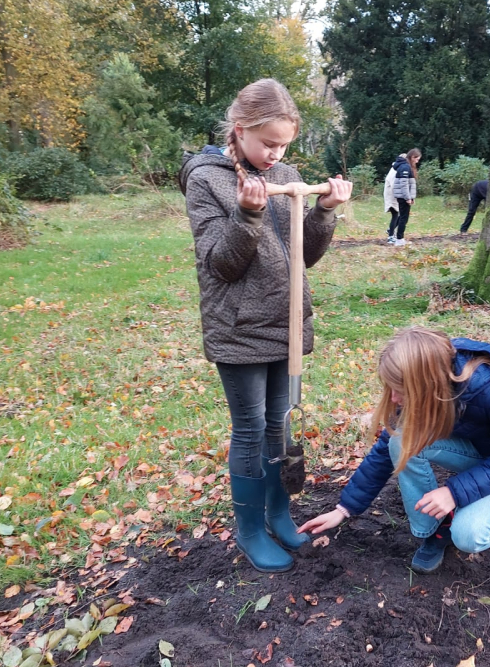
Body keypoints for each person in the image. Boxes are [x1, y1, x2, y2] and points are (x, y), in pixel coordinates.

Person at [178, 79, 353, 573]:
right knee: (252, 430)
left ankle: (279, 514)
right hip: (239, 329)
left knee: (281, 426)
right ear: (240, 131)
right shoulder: (207, 180)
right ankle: (250, 528)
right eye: (268, 143)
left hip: (287, 326)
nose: (276, 154)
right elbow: (221, 263)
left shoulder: (288, 175)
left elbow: (307, 257)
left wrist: (323, 209)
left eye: (284, 145)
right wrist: (249, 213)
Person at [298, 327, 490, 574]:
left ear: (427, 383)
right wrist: (344, 509)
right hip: (476, 452)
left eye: (400, 390)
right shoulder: (422, 389)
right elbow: (386, 449)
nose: (394, 398)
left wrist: (453, 492)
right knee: (400, 440)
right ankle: (436, 530)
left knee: (469, 536)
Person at [386, 148, 421, 246]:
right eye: (417, 159)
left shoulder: (405, 166)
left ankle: (399, 237)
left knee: (403, 217)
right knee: (403, 218)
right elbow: (404, 184)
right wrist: (408, 198)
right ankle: (399, 239)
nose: (417, 161)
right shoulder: (405, 167)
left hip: (403, 196)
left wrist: (411, 197)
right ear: (412, 157)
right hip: (403, 196)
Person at [383, 154, 402, 240]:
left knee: (401, 215)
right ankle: (390, 236)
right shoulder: (395, 171)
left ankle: (390, 230)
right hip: (392, 196)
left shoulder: (396, 168)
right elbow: (394, 184)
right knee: (395, 215)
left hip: (394, 196)